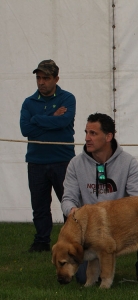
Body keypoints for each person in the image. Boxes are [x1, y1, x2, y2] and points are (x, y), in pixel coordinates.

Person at [61, 113, 138, 283]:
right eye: (86, 132)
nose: (87, 138)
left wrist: (114, 215)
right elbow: (68, 198)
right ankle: (94, 271)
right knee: (83, 278)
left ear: (108, 136)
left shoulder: (128, 162)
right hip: (89, 230)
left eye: (93, 133)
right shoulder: (75, 164)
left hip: (122, 223)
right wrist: (73, 212)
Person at [20, 60, 75, 252]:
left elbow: (64, 122)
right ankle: (42, 240)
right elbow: (25, 129)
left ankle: (73, 239)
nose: (41, 82)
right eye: (38, 78)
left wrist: (38, 121)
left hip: (63, 160)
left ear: (56, 79)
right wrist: (52, 117)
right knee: (40, 204)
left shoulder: (68, 99)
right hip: (36, 161)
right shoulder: (29, 102)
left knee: (69, 202)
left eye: (46, 78)